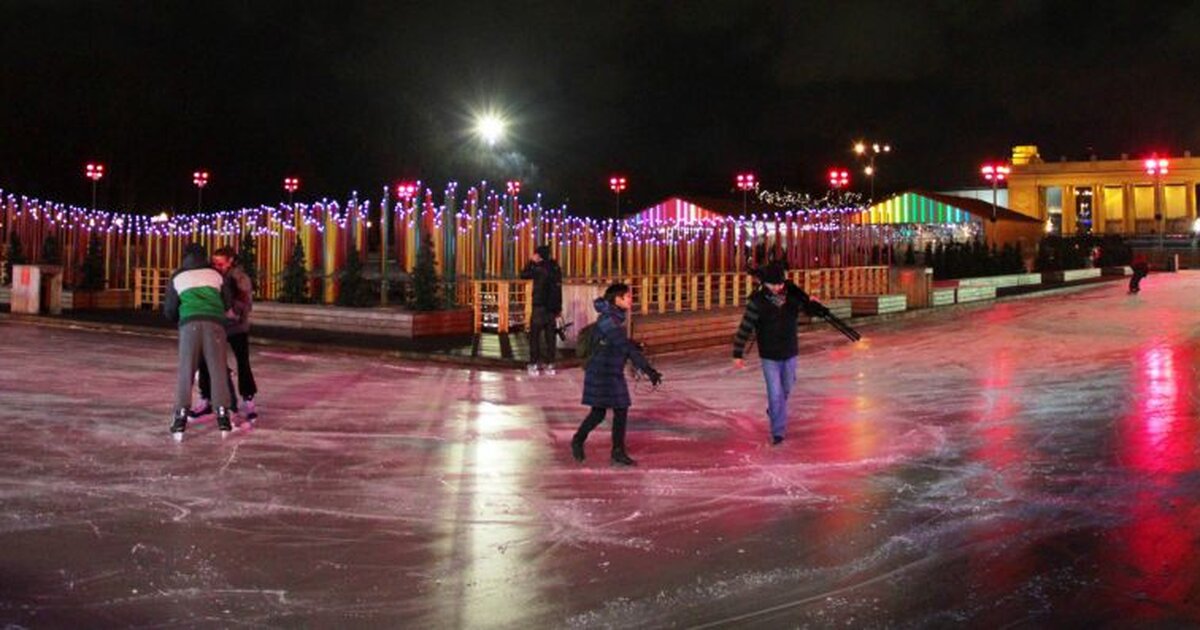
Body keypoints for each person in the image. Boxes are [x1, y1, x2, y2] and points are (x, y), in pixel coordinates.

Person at [732, 263, 828, 445]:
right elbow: (745, 328)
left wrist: (814, 304)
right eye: (773, 285)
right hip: (769, 355)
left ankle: (774, 410)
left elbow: (808, 309)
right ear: (765, 284)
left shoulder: (792, 298)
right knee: (775, 393)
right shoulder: (758, 302)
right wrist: (738, 353)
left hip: (790, 351)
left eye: (780, 284)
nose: (777, 288)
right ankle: (778, 432)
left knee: (786, 388)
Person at [572, 283, 662, 466]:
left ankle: (601, 447)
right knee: (609, 411)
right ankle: (605, 448)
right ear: (617, 299)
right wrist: (648, 370)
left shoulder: (613, 318)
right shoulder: (610, 321)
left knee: (602, 412)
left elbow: (619, 342)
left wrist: (633, 345)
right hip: (603, 372)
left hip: (608, 370)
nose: (631, 300)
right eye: (627, 297)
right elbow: (624, 347)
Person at [163, 243, 234, 440]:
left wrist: (180, 317)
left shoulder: (178, 276)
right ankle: (222, 416)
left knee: (186, 370)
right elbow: (227, 301)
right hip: (215, 325)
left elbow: (169, 309)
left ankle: (180, 418)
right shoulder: (216, 275)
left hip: (189, 325)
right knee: (218, 370)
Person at [194, 246, 258, 422]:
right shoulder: (212, 275)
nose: (216, 266)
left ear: (230, 261)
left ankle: (248, 399)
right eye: (214, 262)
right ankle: (205, 397)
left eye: (220, 263)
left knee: (242, 361)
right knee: (205, 359)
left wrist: (233, 313)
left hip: (236, 326)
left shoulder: (240, 278)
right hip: (217, 325)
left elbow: (245, 301)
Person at [520, 244, 563, 376]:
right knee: (550, 337)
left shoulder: (539, 269)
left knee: (535, 336)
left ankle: (534, 364)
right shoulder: (556, 268)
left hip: (539, 306)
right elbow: (558, 289)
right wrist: (558, 308)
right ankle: (550, 364)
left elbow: (523, 275)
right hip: (552, 308)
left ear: (539, 255)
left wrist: (531, 262)